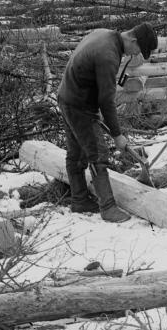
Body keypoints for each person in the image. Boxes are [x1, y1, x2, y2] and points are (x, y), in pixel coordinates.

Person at [56, 19, 158, 221]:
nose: (135, 55)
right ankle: (108, 207)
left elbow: (95, 84)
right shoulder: (108, 55)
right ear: (133, 39)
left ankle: (79, 200)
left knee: (76, 153)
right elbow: (106, 99)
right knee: (98, 154)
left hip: (67, 96)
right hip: (78, 104)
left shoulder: (104, 34)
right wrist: (117, 134)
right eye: (138, 50)